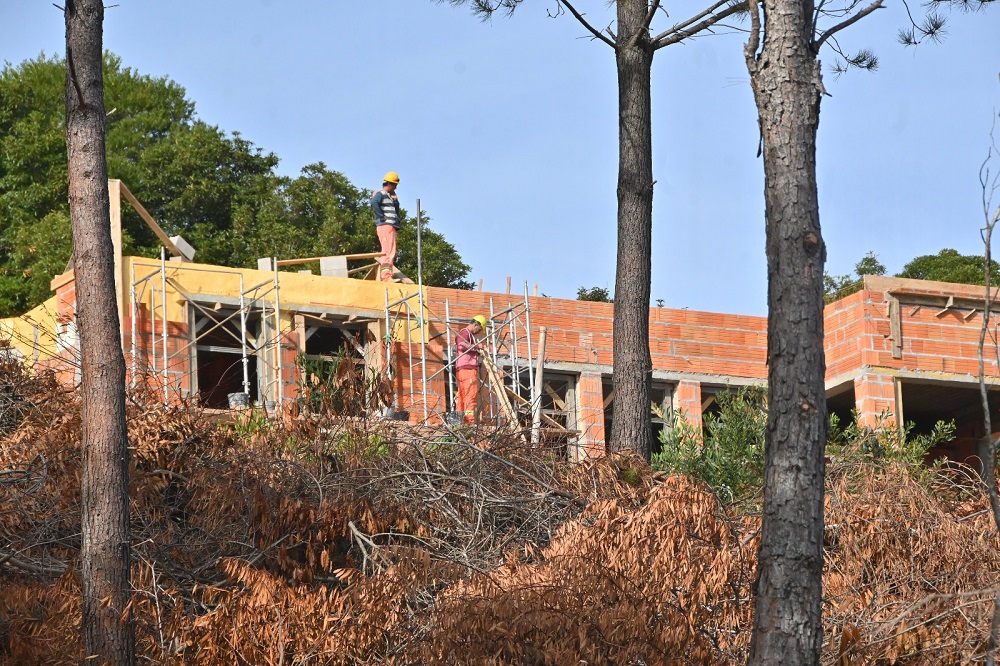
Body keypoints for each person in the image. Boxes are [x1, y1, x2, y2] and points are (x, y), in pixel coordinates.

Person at [455, 315, 487, 424]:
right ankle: (469, 422)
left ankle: (459, 422)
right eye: (479, 329)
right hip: (468, 369)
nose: (478, 332)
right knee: (470, 395)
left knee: (462, 397)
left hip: (462, 370)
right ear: (475, 325)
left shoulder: (467, 334)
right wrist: (477, 347)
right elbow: (461, 344)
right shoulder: (465, 333)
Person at [370, 171, 401, 282]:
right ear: (390, 184)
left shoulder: (389, 196)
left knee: (390, 251)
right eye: (395, 185)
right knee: (388, 251)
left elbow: (396, 212)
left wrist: (395, 201)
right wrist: (381, 216)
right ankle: (386, 276)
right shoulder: (381, 193)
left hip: (390, 226)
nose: (395, 188)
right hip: (386, 225)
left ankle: (387, 275)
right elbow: (374, 202)